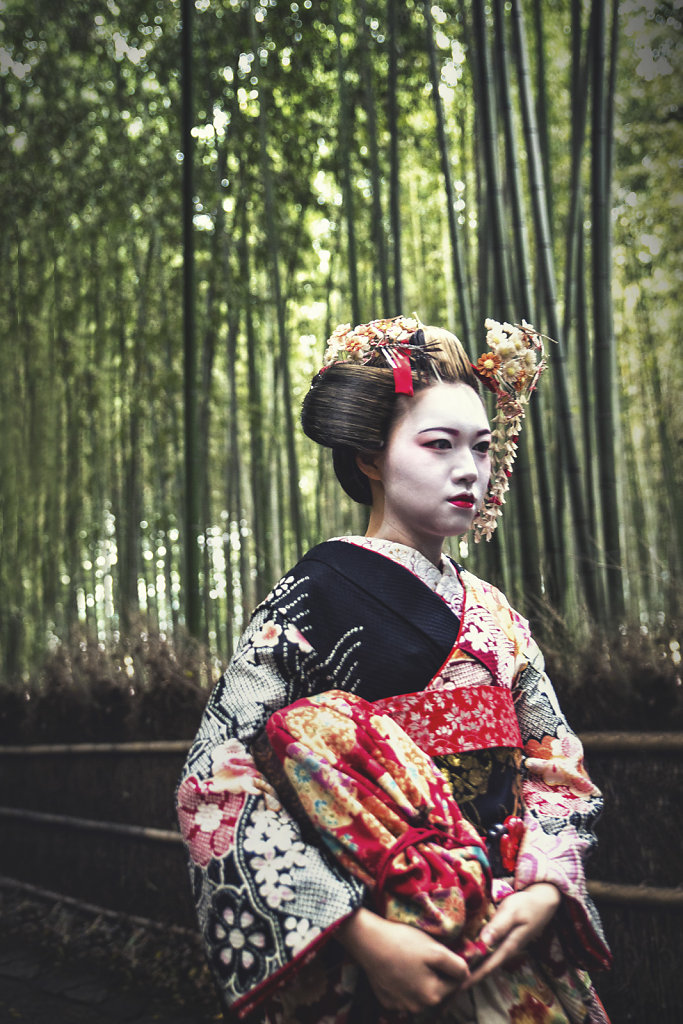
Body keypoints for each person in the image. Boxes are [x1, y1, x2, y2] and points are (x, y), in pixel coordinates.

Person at [177, 315, 611, 1023]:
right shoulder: (312, 596)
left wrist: (543, 890)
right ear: (370, 457)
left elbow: (556, 766)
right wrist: (358, 932)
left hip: (507, 926)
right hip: (377, 939)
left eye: (480, 447)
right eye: (438, 446)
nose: (468, 469)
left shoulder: (495, 614)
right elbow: (214, 780)